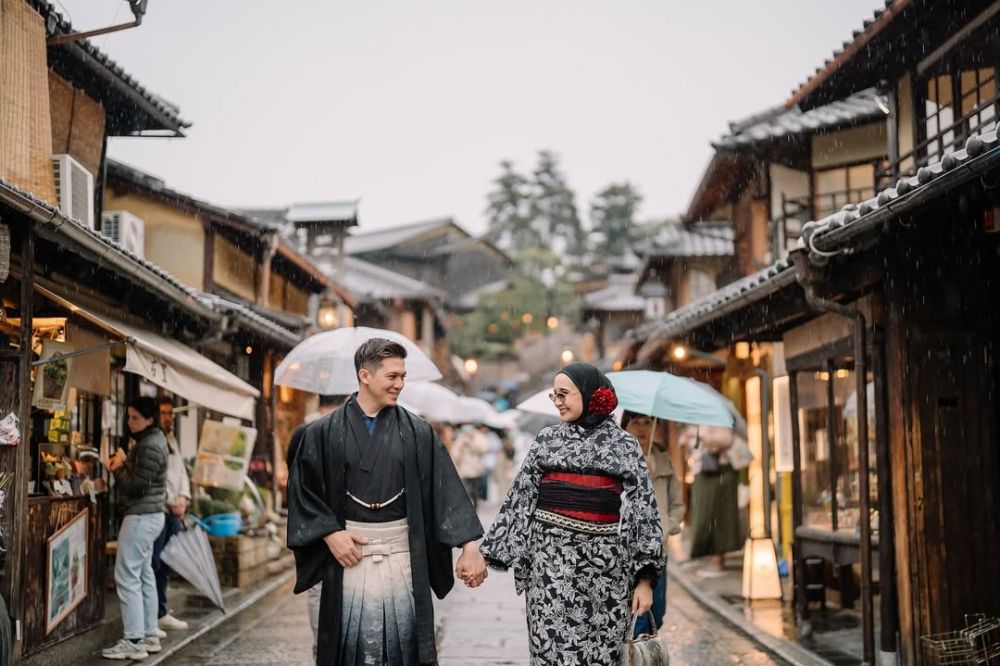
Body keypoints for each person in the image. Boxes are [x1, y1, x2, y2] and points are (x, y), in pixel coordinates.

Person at [287, 338, 487, 666]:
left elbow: (445, 488)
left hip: (402, 555)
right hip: (346, 553)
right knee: (347, 650)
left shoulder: (418, 432)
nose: (400, 384)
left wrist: (469, 546)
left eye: (403, 376)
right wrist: (329, 533)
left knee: (404, 647)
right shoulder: (322, 433)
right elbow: (302, 492)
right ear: (365, 376)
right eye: (392, 376)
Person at [480, 363, 664, 665]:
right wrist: (485, 555)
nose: (558, 401)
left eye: (564, 394)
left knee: (601, 656)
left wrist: (644, 579)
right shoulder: (547, 440)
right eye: (554, 395)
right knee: (549, 652)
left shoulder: (624, 445)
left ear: (591, 394)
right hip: (549, 572)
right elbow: (520, 499)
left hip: (605, 574)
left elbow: (643, 510)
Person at [102, 396, 169, 660]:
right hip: (149, 516)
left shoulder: (150, 444)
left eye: (135, 418)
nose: (129, 422)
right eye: (128, 416)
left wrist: (119, 468)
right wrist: (127, 462)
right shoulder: (152, 440)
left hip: (141, 517)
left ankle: (133, 640)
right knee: (143, 574)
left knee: (127, 575)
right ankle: (149, 635)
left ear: (149, 419)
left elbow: (137, 487)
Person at [286, 394, 348, 661]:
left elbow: (294, 478)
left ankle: (321, 647)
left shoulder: (302, 432)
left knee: (318, 587)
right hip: (344, 523)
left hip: (311, 523)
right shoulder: (346, 430)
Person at [621, 411, 685, 637]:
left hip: (659, 552)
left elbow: (677, 504)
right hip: (628, 552)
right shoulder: (617, 457)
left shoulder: (662, 457)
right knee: (636, 616)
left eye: (648, 422)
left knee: (657, 614)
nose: (642, 428)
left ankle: (642, 650)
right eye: (635, 422)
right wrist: (638, 477)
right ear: (625, 426)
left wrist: (667, 526)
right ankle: (634, 653)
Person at [679, 424, 744, 576]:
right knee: (703, 518)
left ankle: (717, 562)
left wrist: (699, 434)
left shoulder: (719, 419)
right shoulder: (696, 422)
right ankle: (709, 559)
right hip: (702, 471)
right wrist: (686, 439)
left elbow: (726, 440)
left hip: (719, 471)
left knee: (718, 518)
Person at [151, 398, 191, 636]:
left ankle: (161, 611)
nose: (169, 418)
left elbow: (181, 473)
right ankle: (151, 617)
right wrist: (171, 501)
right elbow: (156, 478)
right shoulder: (154, 441)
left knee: (166, 562)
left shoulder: (172, 440)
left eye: (171, 414)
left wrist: (183, 498)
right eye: (164, 413)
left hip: (175, 511)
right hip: (160, 509)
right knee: (154, 562)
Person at [450, 424, 489, 508]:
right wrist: (461, 448)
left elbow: (484, 449)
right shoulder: (461, 438)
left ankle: (475, 504)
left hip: (476, 469)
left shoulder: (479, 437)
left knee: (476, 490)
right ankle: (468, 506)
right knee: (466, 490)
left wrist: (471, 443)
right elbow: (455, 453)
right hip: (464, 469)